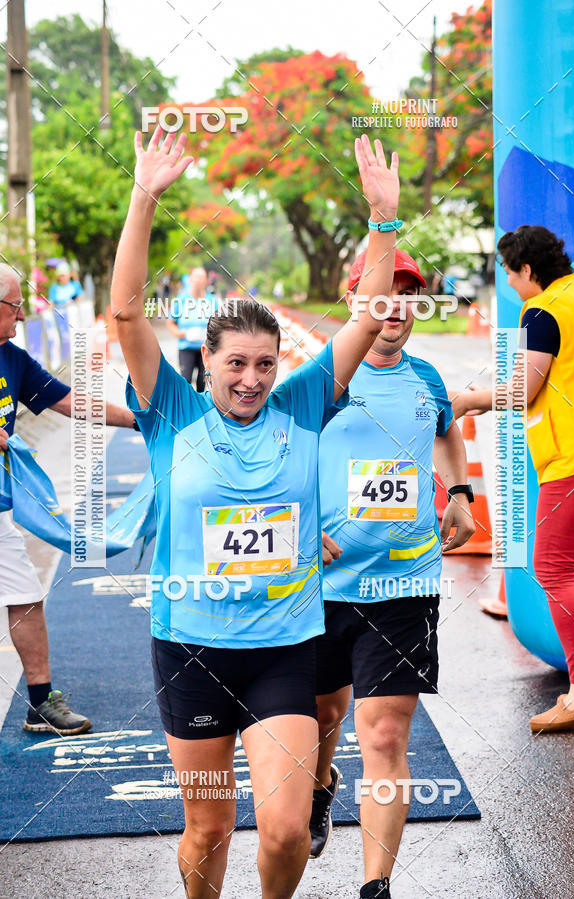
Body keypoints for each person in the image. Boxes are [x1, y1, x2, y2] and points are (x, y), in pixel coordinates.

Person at [111, 124, 400, 899]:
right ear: (206, 361)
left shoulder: (303, 404)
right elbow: (127, 314)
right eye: (235, 362)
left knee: (283, 826)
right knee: (207, 826)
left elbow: (367, 318)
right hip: (192, 648)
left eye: (264, 364)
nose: (250, 378)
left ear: (282, 365)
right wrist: (144, 198)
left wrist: (383, 218)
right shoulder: (168, 411)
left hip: (282, 647)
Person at [310, 250, 475, 898]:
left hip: (405, 583)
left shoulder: (426, 377)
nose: (396, 306)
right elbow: (279, 453)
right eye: (384, 291)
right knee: (326, 712)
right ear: (356, 296)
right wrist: (299, 527)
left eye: (409, 294)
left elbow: (446, 427)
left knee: (381, 729)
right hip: (322, 585)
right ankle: (323, 782)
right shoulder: (325, 377)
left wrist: (459, 490)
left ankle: (375, 886)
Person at [452, 225, 574, 733]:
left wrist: (469, 399)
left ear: (528, 270)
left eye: (511, 274)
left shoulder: (543, 312)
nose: (511, 285)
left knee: (553, 568)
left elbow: (523, 389)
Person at [0, 263, 138, 734]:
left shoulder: (12, 359)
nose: (21, 318)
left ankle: (40, 701)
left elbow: (71, 401)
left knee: (25, 596)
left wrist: (139, 420)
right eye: (15, 307)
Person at [165, 267, 217, 391]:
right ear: (190, 280)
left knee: (202, 381)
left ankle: (199, 408)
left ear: (206, 281)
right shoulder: (181, 299)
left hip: (205, 349)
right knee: (185, 380)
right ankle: (185, 408)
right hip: (186, 347)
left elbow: (220, 323)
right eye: (196, 277)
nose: (198, 280)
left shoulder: (213, 300)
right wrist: (180, 334)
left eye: (201, 278)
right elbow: (170, 322)